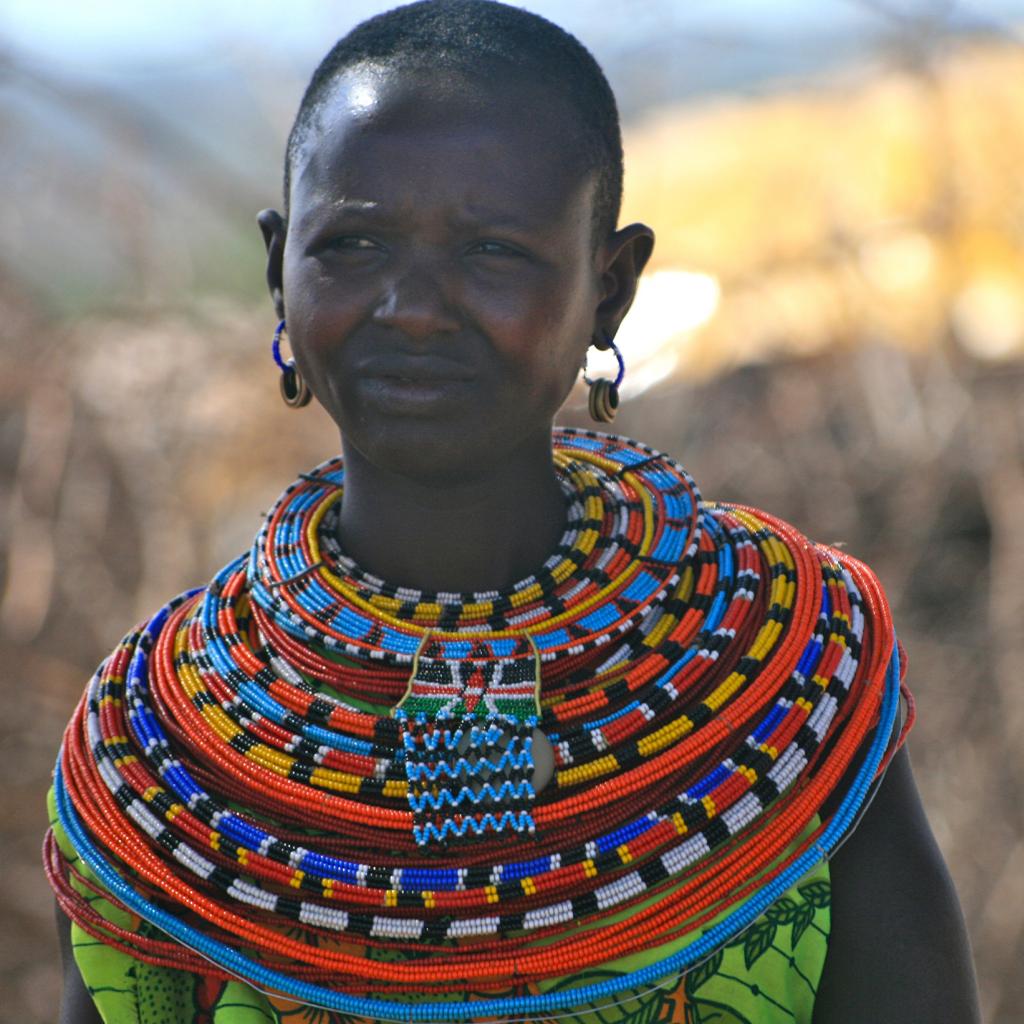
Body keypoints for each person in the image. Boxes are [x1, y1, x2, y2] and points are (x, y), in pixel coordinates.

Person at [48, 2, 981, 1021]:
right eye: (352, 242)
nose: (411, 304)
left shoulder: (789, 663)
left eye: (492, 251)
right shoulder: (152, 749)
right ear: (280, 269)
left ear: (609, 290)